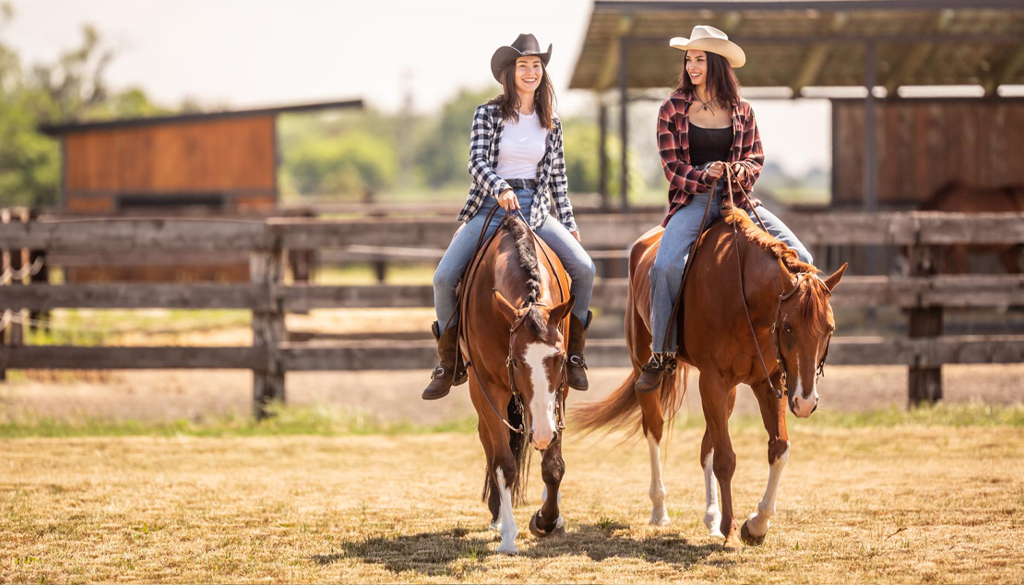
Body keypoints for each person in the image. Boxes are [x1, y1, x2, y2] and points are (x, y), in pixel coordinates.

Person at [635, 25, 814, 393]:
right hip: (694, 201)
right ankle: (663, 352)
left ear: (716, 63)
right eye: (688, 59)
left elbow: (756, 158)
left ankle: (786, 346)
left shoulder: (742, 110)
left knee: (804, 256)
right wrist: (704, 175)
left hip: (740, 202)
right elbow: (671, 167)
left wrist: (737, 171)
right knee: (665, 265)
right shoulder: (671, 109)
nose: (691, 65)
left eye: (699, 59)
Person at [422, 33, 596, 401]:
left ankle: (575, 354)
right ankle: (448, 361)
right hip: (489, 206)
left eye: (536, 65)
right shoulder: (487, 113)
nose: (530, 71)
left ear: (542, 73)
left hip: (536, 206)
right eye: (523, 66)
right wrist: (500, 188)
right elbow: (476, 162)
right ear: (510, 72)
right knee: (443, 278)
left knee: (584, 268)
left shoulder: (552, 121)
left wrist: (569, 223)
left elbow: (559, 179)